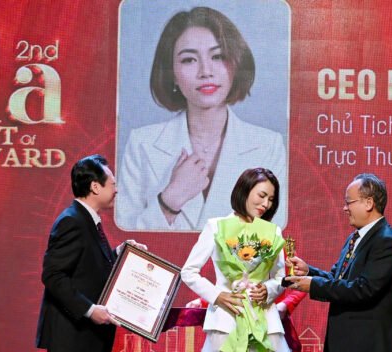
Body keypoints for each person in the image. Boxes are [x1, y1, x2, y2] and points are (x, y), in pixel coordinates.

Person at [116, 6, 287, 231]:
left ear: (236, 64)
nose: (206, 71)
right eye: (189, 60)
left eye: (218, 56)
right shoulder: (142, 144)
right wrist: (170, 200)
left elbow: (273, 235)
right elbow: (123, 240)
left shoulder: (268, 146)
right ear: (172, 73)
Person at [180, 167, 300, 352]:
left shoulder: (273, 231)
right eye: (261, 195)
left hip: (265, 324)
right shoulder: (216, 226)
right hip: (226, 322)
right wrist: (218, 296)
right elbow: (189, 271)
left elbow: (280, 277)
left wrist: (268, 290)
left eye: (271, 199)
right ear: (244, 190)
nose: (265, 204)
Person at [35, 154, 145, 352]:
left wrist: (119, 252)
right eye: (112, 184)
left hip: (88, 341)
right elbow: (53, 276)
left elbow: (89, 266)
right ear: (95, 187)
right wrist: (89, 309)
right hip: (70, 339)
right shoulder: (72, 221)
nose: (117, 190)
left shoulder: (86, 220)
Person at [286, 173, 392, 352]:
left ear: (368, 203)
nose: (344, 208)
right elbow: (338, 278)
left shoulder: (385, 242)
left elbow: (363, 289)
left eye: (349, 202)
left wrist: (313, 285)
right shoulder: (355, 239)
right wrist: (309, 272)